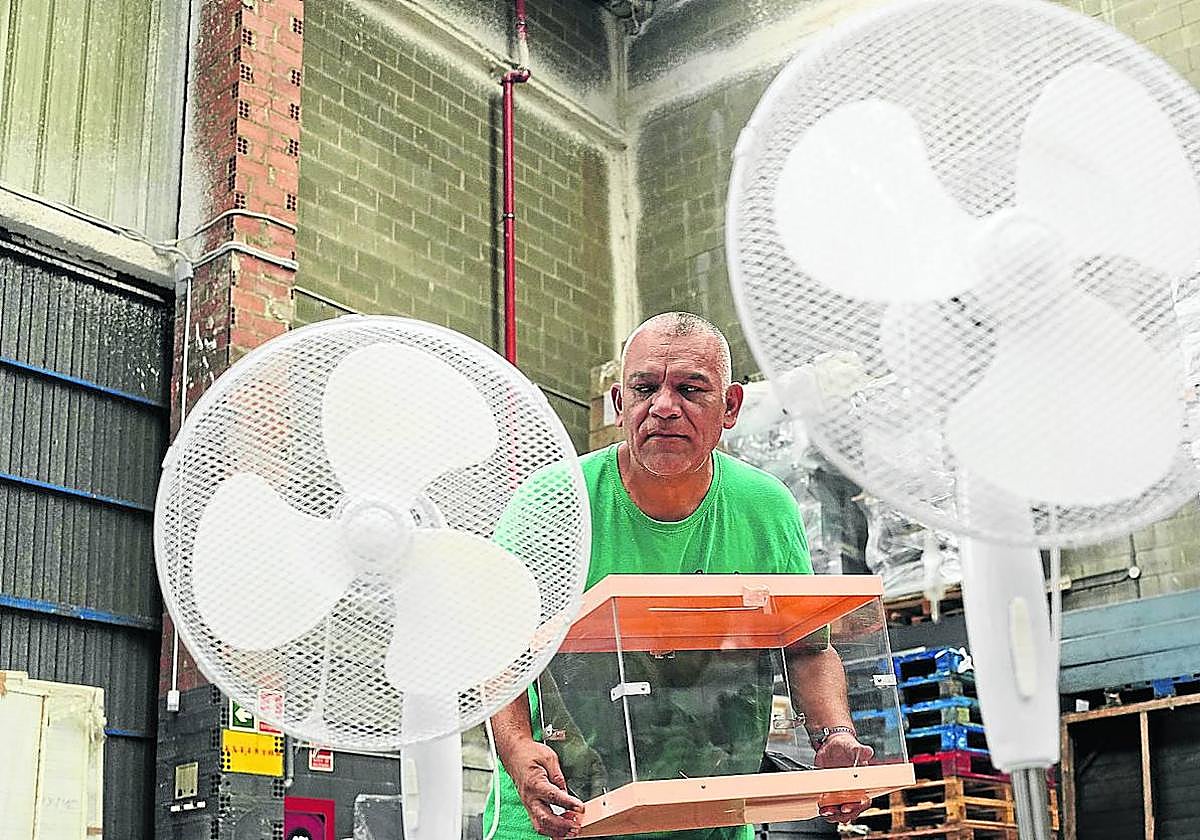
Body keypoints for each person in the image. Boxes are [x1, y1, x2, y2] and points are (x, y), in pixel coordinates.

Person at [486, 313, 873, 840]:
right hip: (561, 813)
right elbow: (498, 645)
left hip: (708, 816)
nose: (664, 407)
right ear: (620, 404)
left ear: (730, 407)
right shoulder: (555, 500)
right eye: (645, 389)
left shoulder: (765, 508)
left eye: (690, 390)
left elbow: (807, 648)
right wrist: (516, 747)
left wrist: (834, 736)